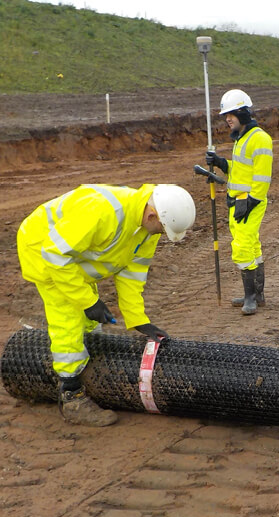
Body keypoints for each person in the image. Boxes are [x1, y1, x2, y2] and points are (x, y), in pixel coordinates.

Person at [17, 183, 196, 427]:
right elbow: (55, 255)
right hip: (42, 249)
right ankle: (71, 395)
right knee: (69, 315)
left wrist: (139, 320)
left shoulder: (145, 227)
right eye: (161, 230)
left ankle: (88, 371)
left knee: (89, 317)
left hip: (70, 256)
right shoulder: (102, 211)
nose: (160, 235)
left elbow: (132, 275)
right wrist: (88, 301)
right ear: (152, 215)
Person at [205, 89, 273, 315]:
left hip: (249, 202)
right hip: (238, 201)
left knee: (242, 247)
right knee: (252, 246)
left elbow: (262, 177)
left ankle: (251, 298)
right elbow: (242, 171)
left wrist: (251, 202)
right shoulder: (242, 139)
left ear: (243, 113)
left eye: (231, 114)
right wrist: (222, 163)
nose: (227, 119)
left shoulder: (259, 138)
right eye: (226, 115)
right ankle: (256, 295)